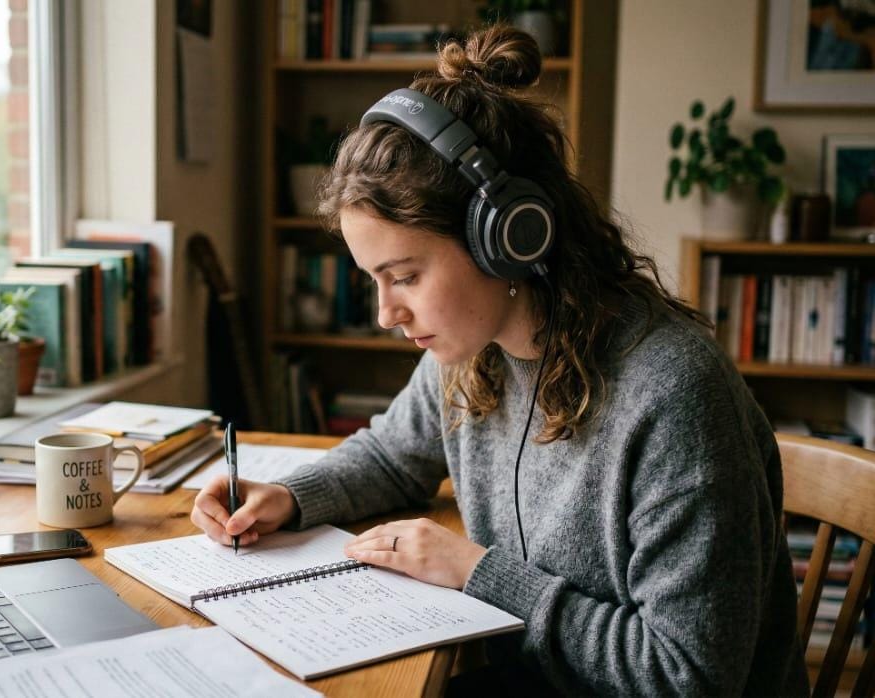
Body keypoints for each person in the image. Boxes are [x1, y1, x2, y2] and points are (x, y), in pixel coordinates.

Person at [191, 25, 809, 696]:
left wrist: (479, 574)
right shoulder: (469, 351)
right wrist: (288, 497)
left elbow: (686, 675)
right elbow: (393, 455)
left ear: (506, 240)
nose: (384, 314)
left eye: (403, 276)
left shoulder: (672, 395)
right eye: (374, 279)